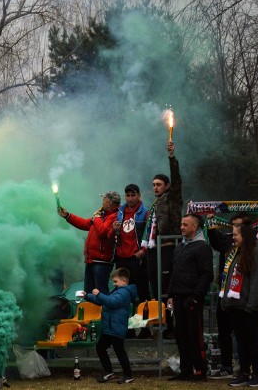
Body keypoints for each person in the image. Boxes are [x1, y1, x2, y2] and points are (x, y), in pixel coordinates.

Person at [140, 141, 182, 339]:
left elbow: (177, 179)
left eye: (159, 185)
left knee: (167, 288)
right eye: (153, 185)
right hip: (153, 250)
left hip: (167, 249)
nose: (155, 188)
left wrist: (172, 158)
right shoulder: (155, 204)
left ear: (167, 186)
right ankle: (161, 322)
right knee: (155, 289)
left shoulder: (172, 198)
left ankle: (172, 326)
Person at [167, 214, 214, 381]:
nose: (181, 227)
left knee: (195, 334)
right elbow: (174, 272)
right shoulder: (180, 247)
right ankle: (185, 370)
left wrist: (196, 297)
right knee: (181, 334)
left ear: (195, 227)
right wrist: (171, 294)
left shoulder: (202, 247)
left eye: (185, 224)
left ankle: (200, 370)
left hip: (192, 298)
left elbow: (207, 274)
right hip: (178, 297)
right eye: (181, 224)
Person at [207, 212, 253, 379]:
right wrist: (211, 222)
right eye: (233, 225)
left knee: (243, 334)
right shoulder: (227, 240)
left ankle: (246, 367)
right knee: (224, 330)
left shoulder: (252, 247)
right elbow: (214, 240)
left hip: (242, 295)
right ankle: (227, 365)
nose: (235, 229)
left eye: (239, 226)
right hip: (225, 292)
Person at [221, 223, 258, 387]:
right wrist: (225, 300)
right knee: (240, 340)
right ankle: (244, 372)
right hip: (235, 305)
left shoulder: (255, 251)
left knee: (251, 340)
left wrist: (251, 305)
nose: (232, 237)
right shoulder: (235, 252)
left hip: (248, 306)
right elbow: (227, 279)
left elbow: (257, 281)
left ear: (245, 236)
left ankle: (257, 374)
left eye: (235, 235)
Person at [82, 267, 137, 384]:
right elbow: (104, 300)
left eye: (116, 281)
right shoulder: (117, 290)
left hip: (116, 328)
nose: (114, 283)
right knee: (100, 348)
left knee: (119, 351)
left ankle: (128, 375)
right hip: (109, 328)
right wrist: (87, 296)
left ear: (124, 281)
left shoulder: (124, 292)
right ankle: (108, 372)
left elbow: (112, 302)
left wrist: (99, 294)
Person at [59, 191, 120, 294]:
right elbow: (84, 223)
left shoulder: (115, 216)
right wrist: (67, 216)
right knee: (89, 293)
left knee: (101, 293)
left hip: (102, 263)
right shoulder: (101, 216)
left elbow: (102, 232)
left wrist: (96, 217)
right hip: (91, 261)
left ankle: (103, 310)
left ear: (109, 203)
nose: (102, 204)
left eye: (103, 201)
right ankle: (90, 310)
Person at [113, 184, 150, 339]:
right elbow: (116, 234)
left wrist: (144, 250)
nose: (130, 198)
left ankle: (144, 328)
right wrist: (114, 230)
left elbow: (150, 233)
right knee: (123, 295)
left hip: (137, 257)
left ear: (139, 195)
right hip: (121, 257)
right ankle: (127, 329)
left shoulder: (145, 213)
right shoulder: (120, 212)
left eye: (133, 195)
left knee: (142, 294)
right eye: (127, 195)